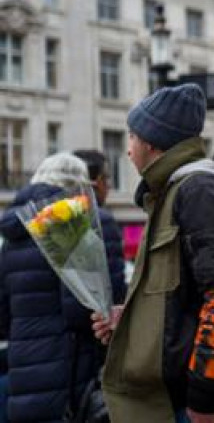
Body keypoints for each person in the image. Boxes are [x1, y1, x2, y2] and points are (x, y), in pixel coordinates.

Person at [90, 84, 214, 423]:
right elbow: (183, 299)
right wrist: (130, 319)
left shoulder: (200, 190)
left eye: (132, 137)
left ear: (152, 141)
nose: (128, 151)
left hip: (204, 408)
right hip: (183, 403)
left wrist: (204, 401)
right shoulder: (175, 191)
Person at [0, 153, 124, 422]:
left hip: (23, 375)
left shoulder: (12, 234)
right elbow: (97, 311)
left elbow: (3, 317)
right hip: (71, 374)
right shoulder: (80, 222)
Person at [73, 149, 128, 304]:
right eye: (107, 178)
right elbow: (114, 288)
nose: (109, 186)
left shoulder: (45, 219)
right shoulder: (101, 221)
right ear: (97, 181)